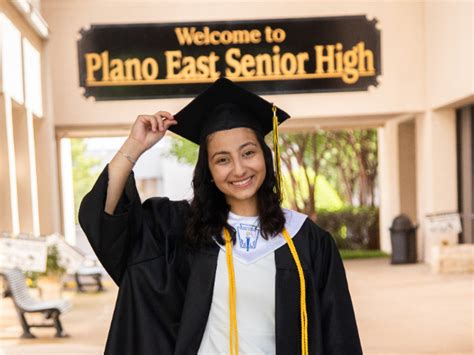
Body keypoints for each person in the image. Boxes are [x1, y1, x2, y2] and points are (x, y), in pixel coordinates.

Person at [78, 77, 363, 355]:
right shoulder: (180, 229)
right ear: (210, 172)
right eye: (222, 159)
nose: (239, 170)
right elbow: (105, 218)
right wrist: (134, 146)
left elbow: (340, 336)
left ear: (264, 156)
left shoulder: (308, 242)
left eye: (248, 153)